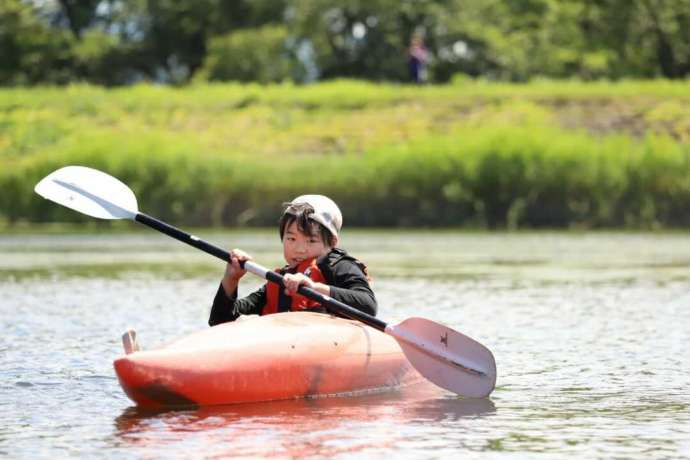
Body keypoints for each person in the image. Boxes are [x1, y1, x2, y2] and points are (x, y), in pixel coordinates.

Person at [209, 195, 377, 326]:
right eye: (291, 239)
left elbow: (368, 306)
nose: (299, 249)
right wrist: (231, 279)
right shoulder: (283, 279)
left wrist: (314, 288)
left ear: (332, 243)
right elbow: (220, 321)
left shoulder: (339, 266)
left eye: (311, 241)